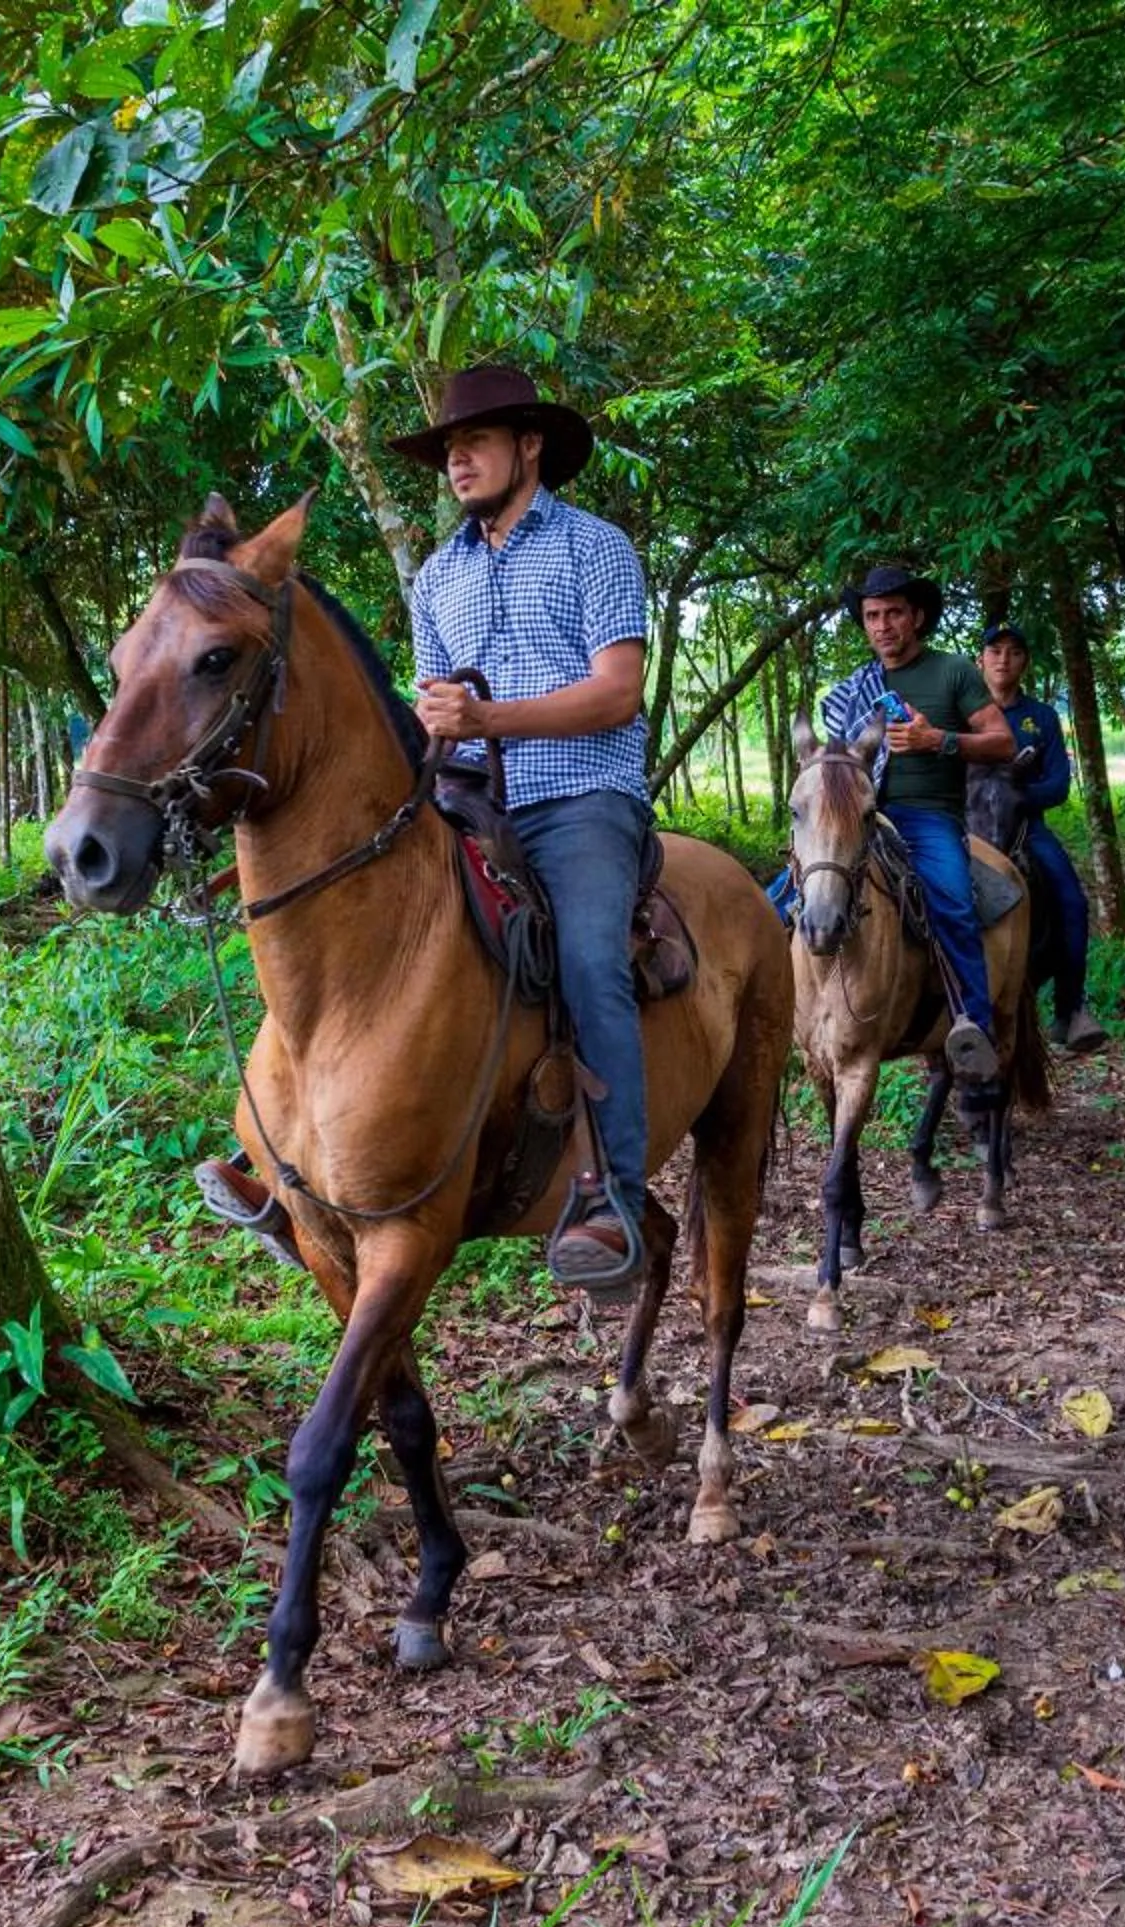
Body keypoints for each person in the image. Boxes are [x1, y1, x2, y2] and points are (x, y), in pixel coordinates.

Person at [396, 365, 661, 1291]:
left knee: (591, 956)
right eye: (446, 450)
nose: (456, 460)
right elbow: (439, 709)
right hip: (466, 798)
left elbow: (618, 694)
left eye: (474, 442)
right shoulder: (436, 578)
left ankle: (613, 1197)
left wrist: (490, 721)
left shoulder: (596, 549)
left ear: (531, 445)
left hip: (582, 795)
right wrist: (441, 729)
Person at [811, 564, 1016, 1082]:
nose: (882, 626)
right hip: (864, 814)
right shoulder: (856, 688)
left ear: (917, 617)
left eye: (893, 613)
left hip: (927, 817)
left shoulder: (953, 672)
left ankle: (974, 1023)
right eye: (872, 616)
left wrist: (938, 741)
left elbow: (1003, 743)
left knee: (951, 898)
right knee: (786, 896)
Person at [974, 623, 1106, 1054]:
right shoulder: (963, 714)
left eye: (1013, 652)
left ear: (1024, 663)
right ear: (980, 660)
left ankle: (1071, 1010)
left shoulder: (1042, 718)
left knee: (1072, 902)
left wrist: (1012, 795)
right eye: (994, 651)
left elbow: (1058, 786)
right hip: (971, 830)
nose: (1003, 659)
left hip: (1029, 828)